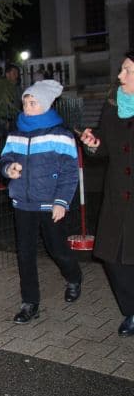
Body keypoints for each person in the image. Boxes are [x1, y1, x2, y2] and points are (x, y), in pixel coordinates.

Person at [0, 80, 82, 324]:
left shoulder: (61, 135)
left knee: (57, 249)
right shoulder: (16, 132)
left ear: (45, 105)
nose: (27, 107)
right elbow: (5, 158)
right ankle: (30, 302)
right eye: (25, 102)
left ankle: (74, 277)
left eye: (33, 102)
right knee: (25, 253)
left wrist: (61, 202)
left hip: (50, 203)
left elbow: (70, 173)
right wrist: (8, 169)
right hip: (22, 202)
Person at [80, 49, 134, 337]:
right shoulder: (113, 104)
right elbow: (104, 145)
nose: (120, 75)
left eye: (127, 71)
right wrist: (93, 143)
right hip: (116, 195)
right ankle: (131, 310)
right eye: (122, 69)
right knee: (113, 257)